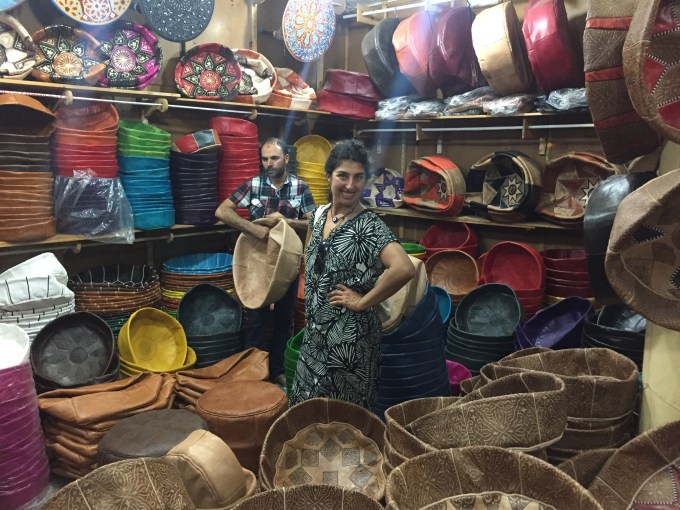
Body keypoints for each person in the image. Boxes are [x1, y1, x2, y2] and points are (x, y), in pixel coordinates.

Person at [289, 139, 415, 409]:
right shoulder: (318, 216)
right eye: (343, 175)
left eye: (358, 177)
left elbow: (404, 268)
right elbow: (309, 259)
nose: (350, 185)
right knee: (306, 410)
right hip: (315, 336)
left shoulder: (370, 226)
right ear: (329, 176)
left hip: (351, 343)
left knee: (345, 415)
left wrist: (362, 301)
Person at [215, 137, 315, 386]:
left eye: (274, 158)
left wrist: (286, 221)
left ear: (286, 159)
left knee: (284, 320)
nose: (269, 163)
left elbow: (314, 222)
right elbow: (222, 211)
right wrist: (253, 229)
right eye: (265, 159)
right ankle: (253, 374)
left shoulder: (300, 187)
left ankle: (278, 370)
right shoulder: (253, 185)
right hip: (258, 264)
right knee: (256, 321)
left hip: (287, 262)